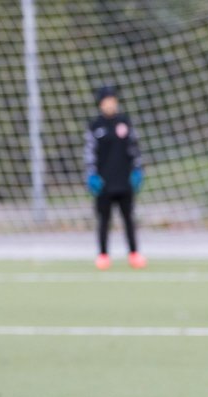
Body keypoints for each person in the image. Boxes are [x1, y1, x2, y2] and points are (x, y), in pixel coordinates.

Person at [84, 85, 145, 271]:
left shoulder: (125, 123)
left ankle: (134, 253)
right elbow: (89, 153)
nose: (110, 104)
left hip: (124, 181)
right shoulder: (95, 126)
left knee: (128, 219)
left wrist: (137, 170)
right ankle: (103, 255)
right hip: (104, 183)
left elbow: (134, 149)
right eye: (106, 101)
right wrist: (91, 175)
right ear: (101, 104)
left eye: (112, 100)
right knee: (104, 220)